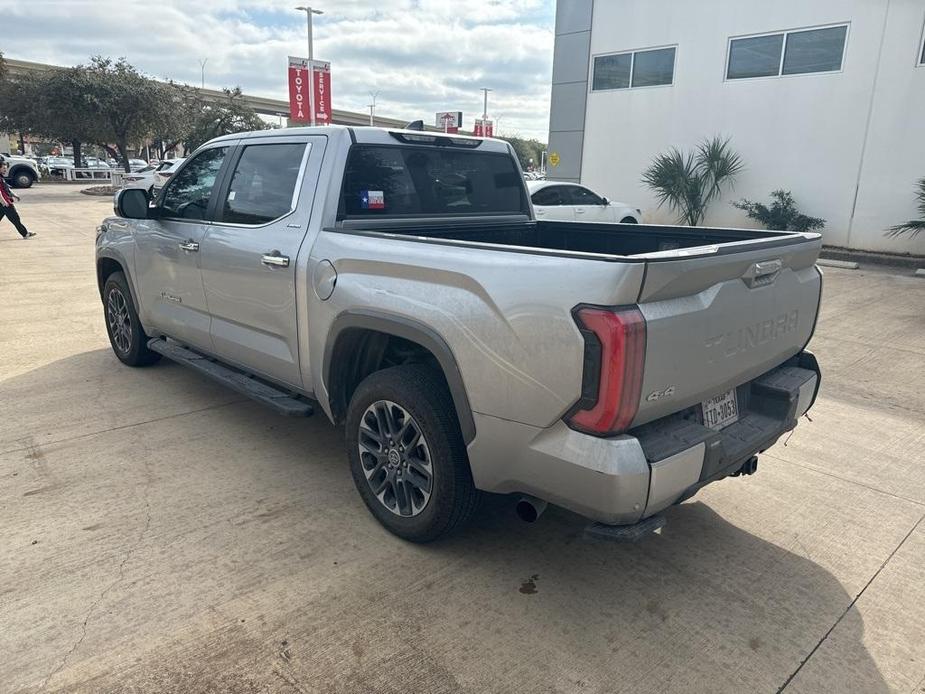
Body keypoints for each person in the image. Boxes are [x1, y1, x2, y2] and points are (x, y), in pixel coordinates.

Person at [0, 159, 36, 239]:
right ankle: (25, 234)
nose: (5, 170)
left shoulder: (1, 178)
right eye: (3, 168)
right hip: (5, 203)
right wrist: (4, 202)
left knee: (14, 219)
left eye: (5, 168)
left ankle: (25, 233)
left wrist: (15, 195)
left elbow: (6, 189)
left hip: (3, 202)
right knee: (15, 218)